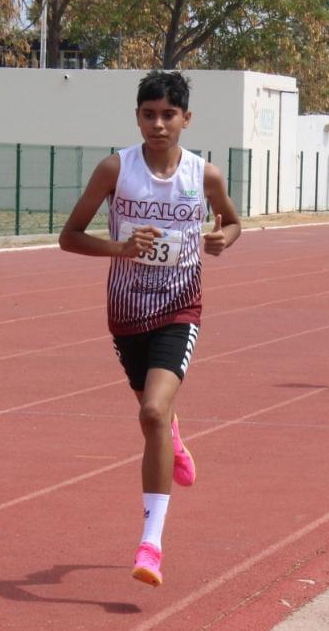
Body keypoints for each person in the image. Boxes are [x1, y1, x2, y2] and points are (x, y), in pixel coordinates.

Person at [58, 70, 241, 587]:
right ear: (137, 117)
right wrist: (119, 247)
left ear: (186, 119)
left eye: (168, 115)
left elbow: (232, 221)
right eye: (149, 114)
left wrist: (223, 238)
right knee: (154, 416)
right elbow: (69, 236)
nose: (158, 124)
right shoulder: (115, 169)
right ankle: (174, 440)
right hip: (126, 310)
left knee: (153, 411)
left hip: (180, 306)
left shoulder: (205, 175)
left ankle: (150, 545)